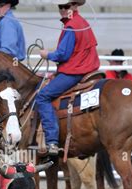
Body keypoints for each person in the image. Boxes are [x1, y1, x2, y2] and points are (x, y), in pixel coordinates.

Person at [37, 0, 99, 156]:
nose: (63, 9)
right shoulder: (82, 23)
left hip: (75, 72)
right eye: (61, 7)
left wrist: (47, 55)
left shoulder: (71, 26)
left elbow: (63, 54)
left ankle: (51, 141)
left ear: (75, 6)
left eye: (66, 6)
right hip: (84, 69)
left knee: (42, 97)